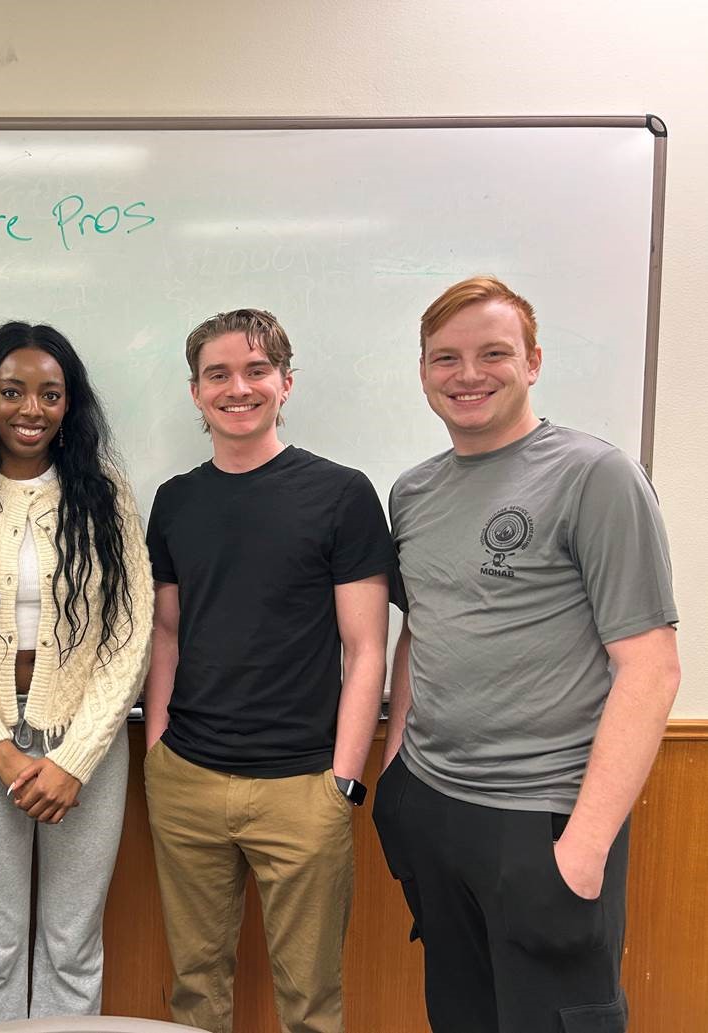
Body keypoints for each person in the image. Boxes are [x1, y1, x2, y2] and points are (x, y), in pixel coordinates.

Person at [373, 276, 680, 1033]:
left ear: (533, 361)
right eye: (444, 357)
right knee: (460, 1015)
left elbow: (649, 664)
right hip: (433, 809)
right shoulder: (411, 492)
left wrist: (583, 846)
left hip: (542, 818)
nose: (466, 374)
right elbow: (421, 631)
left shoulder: (593, 476)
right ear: (421, 372)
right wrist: (393, 776)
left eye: (492, 353)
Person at [142, 308, 393, 1033]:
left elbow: (365, 648)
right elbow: (167, 632)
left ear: (285, 382)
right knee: (194, 990)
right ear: (195, 392)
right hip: (186, 777)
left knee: (309, 999)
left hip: (302, 786)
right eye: (217, 374)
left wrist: (342, 780)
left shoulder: (341, 494)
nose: (237, 387)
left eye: (255, 370)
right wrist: (158, 747)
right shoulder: (176, 499)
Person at [0, 321, 153, 1028]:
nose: (30, 408)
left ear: (69, 404)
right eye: (11, 391)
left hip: (88, 747)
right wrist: (3, 752)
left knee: (72, 944)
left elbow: (129, 635)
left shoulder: (106, 494)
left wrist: (72, 757)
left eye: (49, 393)